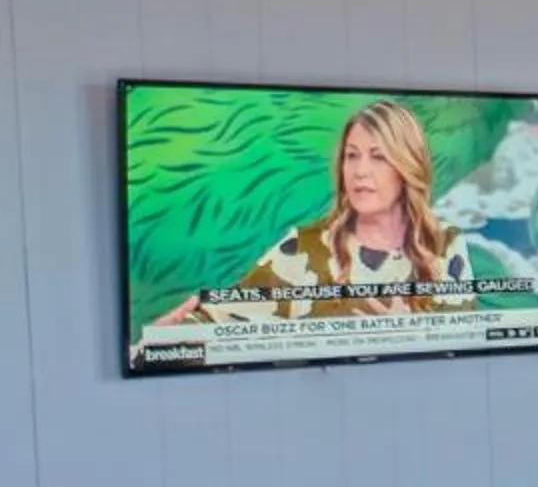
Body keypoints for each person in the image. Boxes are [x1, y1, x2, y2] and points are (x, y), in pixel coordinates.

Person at [169, 100, 478, 324]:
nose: (360, 172)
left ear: (407, 166)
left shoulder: (444, 245)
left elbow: (468, 348)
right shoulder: (304, 247)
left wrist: (409, 337)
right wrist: (165, 339)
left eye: (378, 157)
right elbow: (217, 321)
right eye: (351, 156)